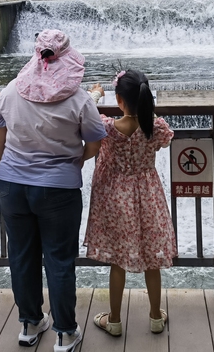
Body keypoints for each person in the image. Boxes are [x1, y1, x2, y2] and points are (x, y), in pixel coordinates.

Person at [0, 29, 106, 352]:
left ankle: (29, 324)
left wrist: (7, 169)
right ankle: (65, 333)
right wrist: (74, 161)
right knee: (58, 259)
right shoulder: (80, 100)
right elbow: (94, 143)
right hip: (59, 189)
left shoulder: (10, 91)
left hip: (13, 184)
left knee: (22, 255)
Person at [84, 69, 176, 338]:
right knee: (152, 260)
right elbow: (164, 140)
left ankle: (114, 320)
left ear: (119, 99)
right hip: (147, 194)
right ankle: (156, 316)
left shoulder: (107, 128)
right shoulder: (156, 127)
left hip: (116, 197)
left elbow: (86, 109)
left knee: (117, 260)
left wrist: (96, 94)